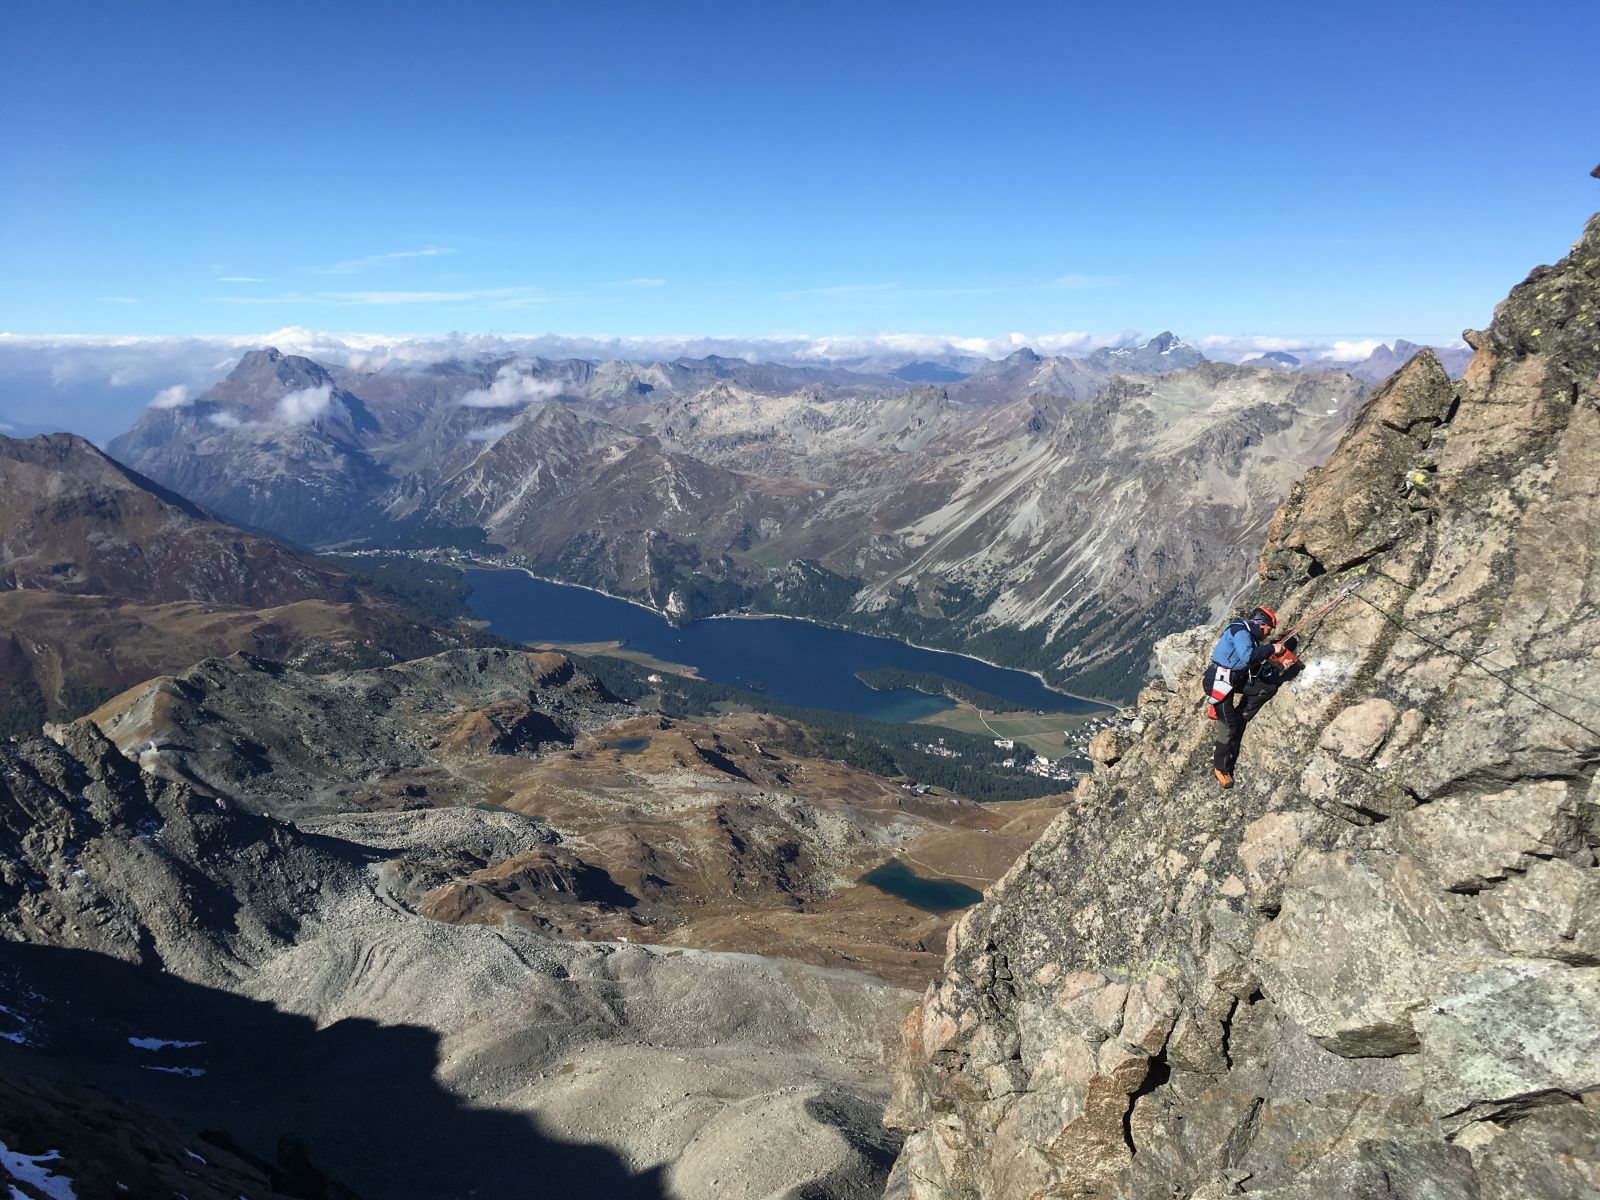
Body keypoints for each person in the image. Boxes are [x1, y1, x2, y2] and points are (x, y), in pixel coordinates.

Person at [1202, 606, 1295, 787]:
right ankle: (1220, 768)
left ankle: (1239, 714)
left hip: (1230, 679)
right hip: (1218, 683)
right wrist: (1271, 648)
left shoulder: (1247, 635)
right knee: (1227, 726)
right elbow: (1247, 657)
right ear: (1262, 624)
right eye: (1269, 629)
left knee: (1266, 688)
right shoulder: (1241, 632)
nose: (1269, 633)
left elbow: (1256, 663)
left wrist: (1280, 667)